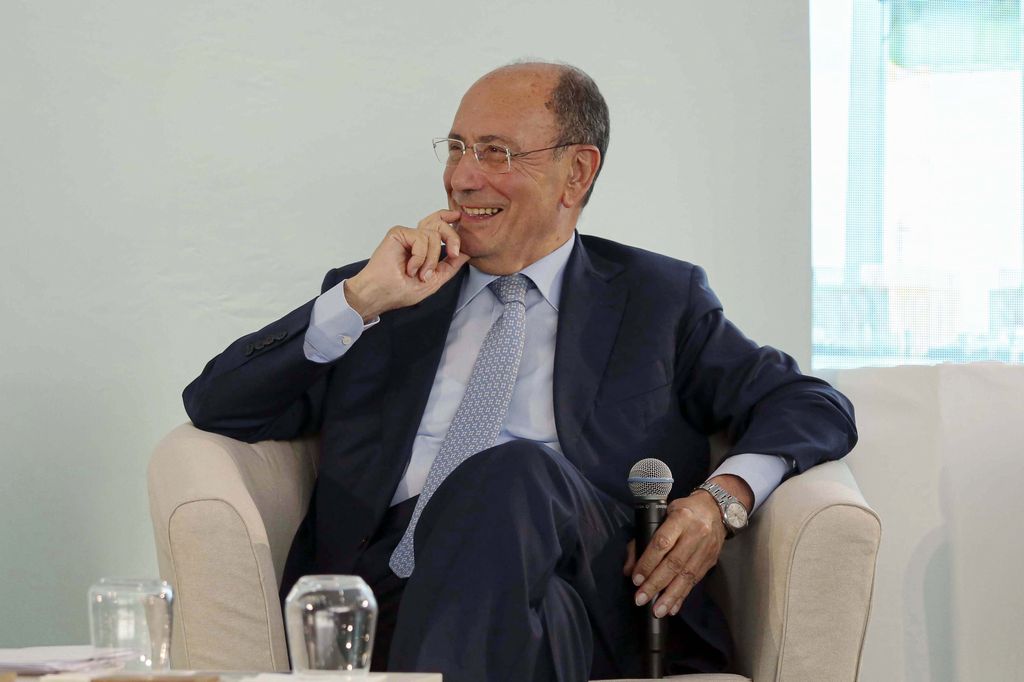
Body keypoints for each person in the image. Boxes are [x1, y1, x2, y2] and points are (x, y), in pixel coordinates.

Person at [183, 62, 857, 681]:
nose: (462, 177)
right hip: (398, 595)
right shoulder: (384, 299)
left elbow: (809, 403)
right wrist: (360, 300)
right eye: (457, 148)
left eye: (495, 152)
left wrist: (721, 499)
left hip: (601, 590)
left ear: (577, 173)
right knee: (528, 612)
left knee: (513, 473)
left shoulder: (657, 298)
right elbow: (219, 405)